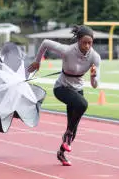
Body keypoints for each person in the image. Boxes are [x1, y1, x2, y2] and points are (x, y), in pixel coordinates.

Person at [27, 25, 101, 166]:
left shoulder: (95, 57)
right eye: (84, 42)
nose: (87, 46)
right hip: (62, 88)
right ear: (78, 40)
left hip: (77, 90)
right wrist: (37, 61)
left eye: (90, 43)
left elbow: (95, 85)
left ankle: (61, 152)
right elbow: (45, 43)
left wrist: (93, 77)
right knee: (83, 104)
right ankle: (67, 134)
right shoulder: (67, 51)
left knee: (74, 129)